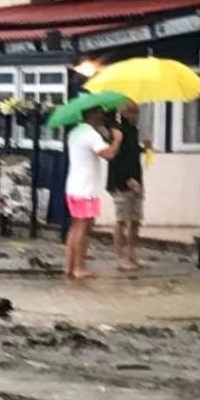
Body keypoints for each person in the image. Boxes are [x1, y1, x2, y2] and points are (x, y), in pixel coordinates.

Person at [65, 107, 123, 280]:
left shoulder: (75, 132)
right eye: (99, 113)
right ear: (90, 114)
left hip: (74, 186)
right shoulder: (90, 134)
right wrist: (117, 140)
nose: (102, 116)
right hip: (86, 189)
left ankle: (68, 265)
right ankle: (79, 267)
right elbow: (109, 154)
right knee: (83, 228)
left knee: (75, 226)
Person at [107, 101, 145, 271]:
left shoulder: (133, 130)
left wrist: (143, 149)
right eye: (133, 112)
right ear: (124, 112)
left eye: (137, 112)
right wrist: (126, 178)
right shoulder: (117, 131)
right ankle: (119, 256)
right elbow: (116, 158)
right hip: (121, 182)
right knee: (121, 219)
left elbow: (131, 152)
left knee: (136, 219)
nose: (136, 116)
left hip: (137, 180)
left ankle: (132, 253)